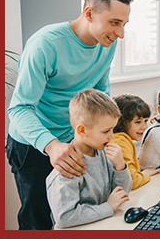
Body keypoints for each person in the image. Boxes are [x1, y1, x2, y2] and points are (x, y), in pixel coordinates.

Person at [5, 0, 133, 230]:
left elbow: (100, 96)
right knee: (38, 222)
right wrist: (52, 146)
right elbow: (19, 109)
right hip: (33, 144)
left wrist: (106, 135)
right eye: (114, 23)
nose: (121, 33)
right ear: (89, 13)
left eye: (124, 24)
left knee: (80, 216)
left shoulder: (106, 45)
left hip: (73, 140)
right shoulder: (45, 45)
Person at [46, 89, 132, 229]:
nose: (112, 136)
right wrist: (108, 207)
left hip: (101, 225)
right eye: (106, 131)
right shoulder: (68, 166)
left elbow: (122, 194)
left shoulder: (103, 153)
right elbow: (65, 217)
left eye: (113, 130)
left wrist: (120, 166)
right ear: (82, 130)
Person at [111, 94, 160, 190]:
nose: (144, 127)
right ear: (121, 122)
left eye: (145, 121)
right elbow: (131, 181)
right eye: (138, 122)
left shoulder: (119, 138)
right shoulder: (121, 141)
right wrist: (145, 175)